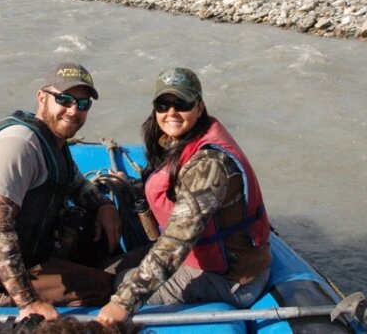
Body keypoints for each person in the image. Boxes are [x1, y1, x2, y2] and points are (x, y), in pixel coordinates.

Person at [0, 62, 122, 322]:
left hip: (22, 262)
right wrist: (29, 302)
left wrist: (104, 205)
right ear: (41, 97)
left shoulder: (52, 142)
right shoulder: (19, 145)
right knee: (105, 287)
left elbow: (77, 184)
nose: (73, 110)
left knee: (91, 231)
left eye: (83, 104)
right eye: (65, 99)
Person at [98, 67, 272, 326]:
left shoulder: (208, 165)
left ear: (199, 107)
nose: (171, 113)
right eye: (163, 104)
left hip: (232, 279)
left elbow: (176, 242)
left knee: (120, 281)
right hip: (203, 259)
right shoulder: (180, 143)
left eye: (181, 104)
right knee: (115, 265)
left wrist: (123, 303)